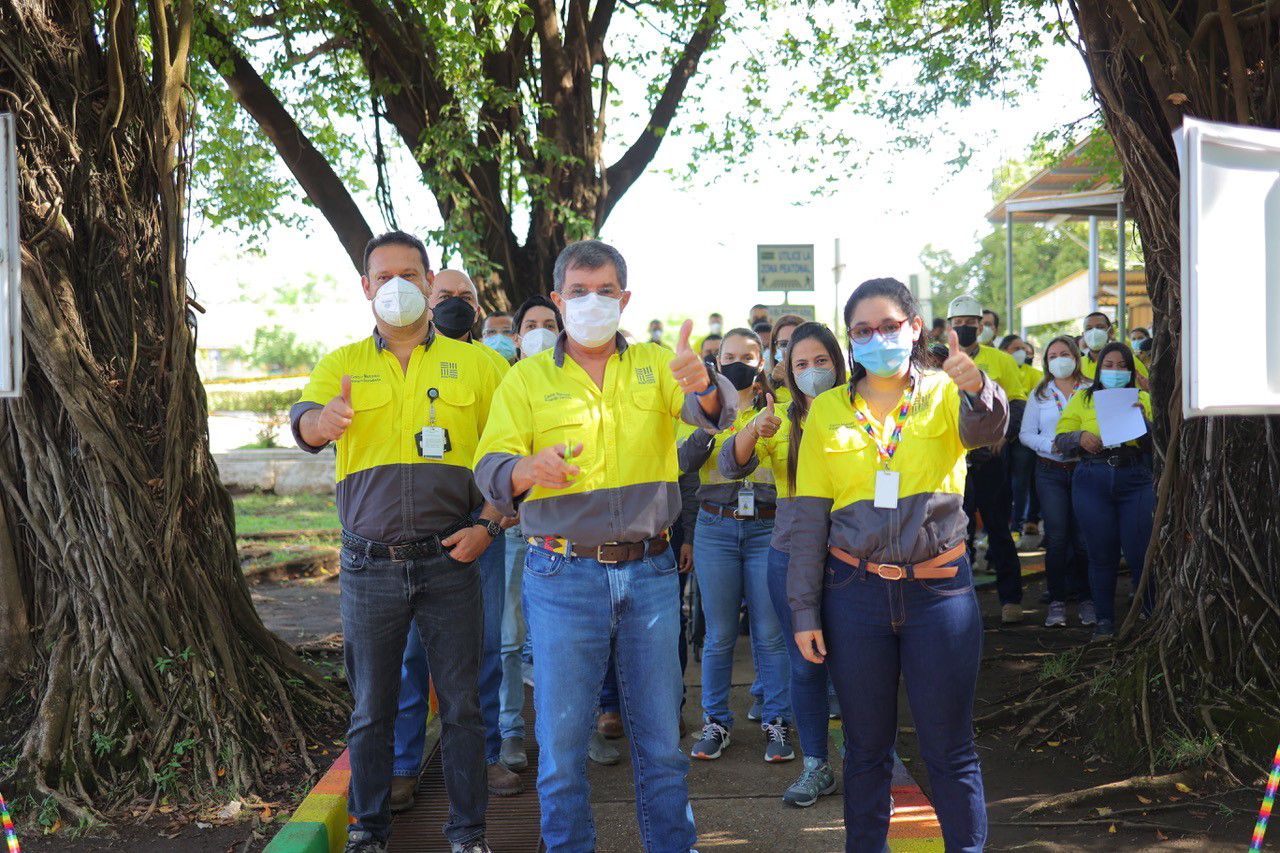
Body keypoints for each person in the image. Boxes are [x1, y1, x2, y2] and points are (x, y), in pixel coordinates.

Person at [474, 239, 734, 853]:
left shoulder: (653, 363)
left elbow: (708, 413)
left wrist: (707, 382)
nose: (594, 302)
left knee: (660, 744)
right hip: (561, 574)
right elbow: (488, 466)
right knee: (562, 750)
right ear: (559, 299)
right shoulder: (526, 378)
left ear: (626, 297)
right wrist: (523, 471)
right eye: (580, 292)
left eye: (606, 291)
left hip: (650, 573)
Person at [291, 231, 502, 853]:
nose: (398, 286)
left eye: (411, 274)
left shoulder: (480, 365)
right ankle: (368, 831)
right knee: (371, 710)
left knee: (462, 707)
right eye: (384, 276)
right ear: (365, 287)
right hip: (368, 566)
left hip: (451, 560)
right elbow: (303, 420)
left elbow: (509, 453)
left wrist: (489, 525)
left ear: (431, 282)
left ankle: (468, 834)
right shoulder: (342, 363)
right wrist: (319, 422)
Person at [790, 278, 1007, 853]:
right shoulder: (829, 410)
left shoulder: (944, 390)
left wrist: (981, 387)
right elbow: (810, 519)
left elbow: (989, 433)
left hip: (940, 596)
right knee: (864, 751)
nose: (877, 338)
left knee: (949, 749)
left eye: (889, 326)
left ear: (915, 328)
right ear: (851, 342)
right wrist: (804, 609)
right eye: (863, 331)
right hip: (854, 595)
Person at [394, 268, 522, 802]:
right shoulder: (399, 361)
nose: (454, 304)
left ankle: (486, 756)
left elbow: (512, 449)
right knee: (409, 656)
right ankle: (402, 765)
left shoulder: (493, 366)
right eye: (444, 295)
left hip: (475, 535)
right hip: (405, 540)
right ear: (425, 298)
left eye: (464, 297)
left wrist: (489, 525)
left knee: (483, 648)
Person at [721, 321, 847, 807]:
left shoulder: (861, 414)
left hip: (854, 554)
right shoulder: (779, 417)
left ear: (838, 363)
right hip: (790, 555)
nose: (812, 372)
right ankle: (817, 766)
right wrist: (755, 429)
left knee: (860, 665)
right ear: (787, 373)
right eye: (801, 364)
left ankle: (866, 759)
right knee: (806, 663)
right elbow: (731, 466)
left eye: (821, 362)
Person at [679, 328, 793, 765]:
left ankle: (777, 722)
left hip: (768, 528)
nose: (739, 361)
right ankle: (716, 723)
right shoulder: (698, 409)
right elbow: (682, 465)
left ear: (762, 361)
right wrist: (710, 425)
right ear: (717, 361)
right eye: (730, 355)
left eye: (748, 354)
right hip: (716, 529)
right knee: (719, 634)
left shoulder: (778, 410)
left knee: (769, 633)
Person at [496, 295, 564, 773]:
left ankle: (564, 736)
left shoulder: (578, 382)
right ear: (517, 337)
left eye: (548, 323)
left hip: (563, 532)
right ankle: (511, 734)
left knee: (558, 641)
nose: (539, 332)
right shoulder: (505, 383)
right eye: (531, 325)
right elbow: (492, 459)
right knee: (508, 638)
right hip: (510, 528)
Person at [1054, 341, 1155, 641]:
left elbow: (1162, 443)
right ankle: (1104, 623)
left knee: (1141, 552)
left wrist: (1144, 422)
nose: (1115, 370)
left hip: (1134, 477)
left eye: (1122, 365)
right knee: (1101, 554)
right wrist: (1080, 436)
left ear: (1132, 370)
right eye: (1108, 365)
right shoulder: (1083, 398)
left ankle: (1150, 617)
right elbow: (1060, 439)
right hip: (1092, 478)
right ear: (1099, 370)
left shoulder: (1143, 398)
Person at [949, 295, 1027, 625]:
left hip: (992, 459)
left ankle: (1011, 599)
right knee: (956, 534)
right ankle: (959, 603)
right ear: (949, 327)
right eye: (958, 324)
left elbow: (1019, 404)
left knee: (998, 528)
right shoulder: (938, 361)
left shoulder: (1002, 361)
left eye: (971, 323)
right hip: (953, 463)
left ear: (982, 326)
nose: (965, 328)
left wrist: (1003, 435)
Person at [1019, 337, 1095, 628]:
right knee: (1058, 538)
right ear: (1046, 361)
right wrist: (1054, 444)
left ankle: (1087, 601)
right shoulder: (1040, 393)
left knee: (1083, 538)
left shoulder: (1090, 389)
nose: (1059, 359)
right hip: (1050, 471)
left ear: (1075, 357)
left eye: (1065, 353)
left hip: (1083, 470)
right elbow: (1026, 434)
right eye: (1053, 355)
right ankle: (1057, 603)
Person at [999, 334, 1042, 540]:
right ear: (1003, 350)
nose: (1021, 353)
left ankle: (1017, 527)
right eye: (1015, 348)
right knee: (1003, 484)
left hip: (1022, 437)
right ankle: (1003, 527)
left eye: (1023, 349)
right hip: (999, 435)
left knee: (1021, 484)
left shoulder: (1033, 373)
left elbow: (1032, 404)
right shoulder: (1000, 370)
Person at [1081, 312, 1149, 389]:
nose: (1094, 332)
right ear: (1083, 334)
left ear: (1111, 332)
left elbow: (1148, 391)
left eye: (1100, 327)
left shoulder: (1130, 361)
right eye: (1089, 328)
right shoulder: (1078, 365)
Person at [767, 314, 806, 403]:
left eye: (796, 342)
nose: (790, 349)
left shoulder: (823, 380)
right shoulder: (767, 390)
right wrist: (772, 382)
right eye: (784, 344)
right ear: (774, 348)